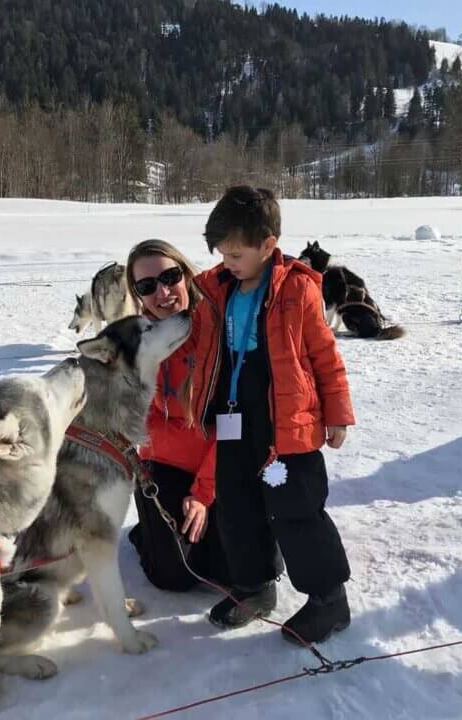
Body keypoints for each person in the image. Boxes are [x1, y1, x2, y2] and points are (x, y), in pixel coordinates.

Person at [185, 185, 356, 643]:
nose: (227, 263)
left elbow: (325, 356)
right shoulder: (215, 289)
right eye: (222, 254)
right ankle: (254, 585)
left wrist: (337, 412)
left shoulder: (297, 288)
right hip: (232, 410)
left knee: (295, 507)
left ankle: (328, 599)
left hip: (286, 418)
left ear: (267, 245)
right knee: (236, 504)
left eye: (236, 254)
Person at [125, 239, 229, 591]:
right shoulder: (141, 343)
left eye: (171, 276)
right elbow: (145, 420)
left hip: (223, 464)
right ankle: (149, 531)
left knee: (234, 570)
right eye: (147, 285)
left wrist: (202, 492)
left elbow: (233, 425)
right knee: (174, 577)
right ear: (137, 294)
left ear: (187, 275)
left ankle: (160, 527)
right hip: (167, 467)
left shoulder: (220, 330)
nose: (163, 292)